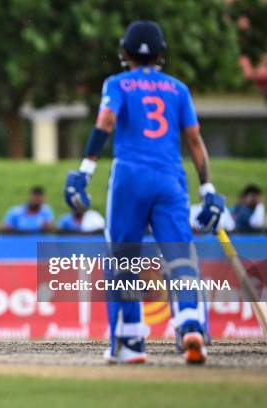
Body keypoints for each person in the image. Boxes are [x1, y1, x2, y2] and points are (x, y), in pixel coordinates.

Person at [64, 21, 224, 364]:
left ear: (125, 53)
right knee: (180, 255)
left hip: (130, 176)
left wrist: (84, 170)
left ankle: (130, 341)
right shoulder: (178, 89)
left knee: (123, 257)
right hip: (171, 177)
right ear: (161, 54)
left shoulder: (117, 83)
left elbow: (106, 122)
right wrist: (208, 188)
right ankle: (190, 324)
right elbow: (194, 140)